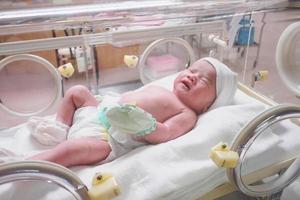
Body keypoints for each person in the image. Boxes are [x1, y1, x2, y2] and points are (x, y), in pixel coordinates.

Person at [27, 57, 237, 167]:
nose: (192, 76)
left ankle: (33, 163)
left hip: (108, 138)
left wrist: (144, 124)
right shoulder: (164, 89)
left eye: (204, 80)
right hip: (99, 112)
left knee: (71, 151)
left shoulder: (187, 114)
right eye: (192, 70)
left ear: (208, 105)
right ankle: (59, 127)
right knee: (77, 91)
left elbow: (166, 133)